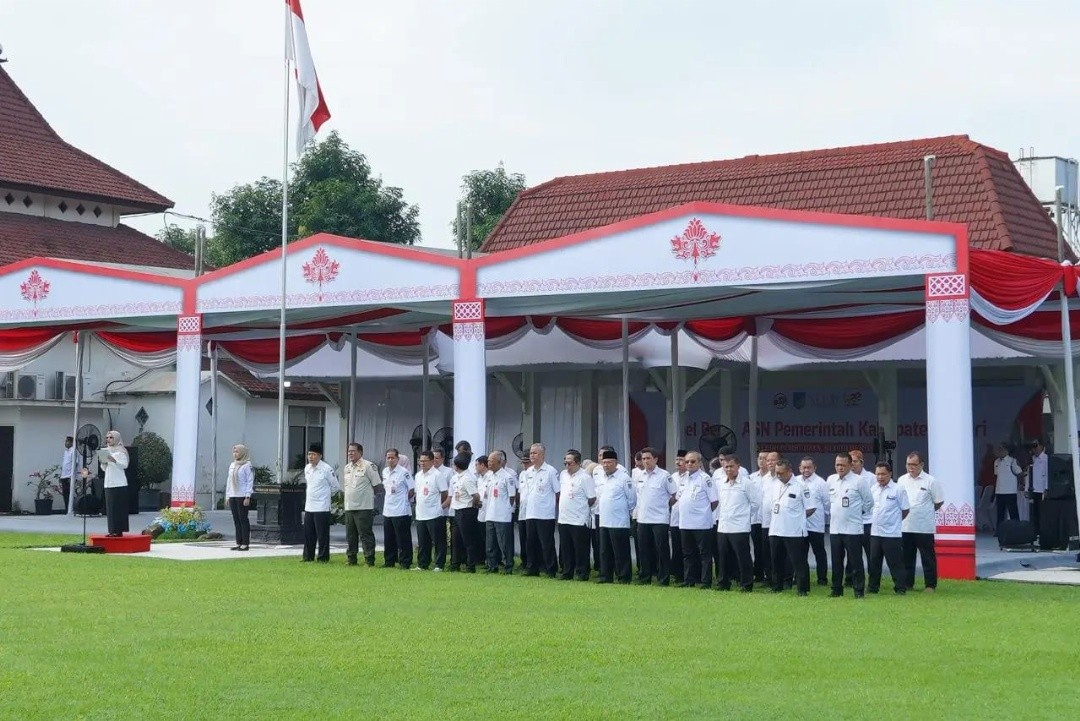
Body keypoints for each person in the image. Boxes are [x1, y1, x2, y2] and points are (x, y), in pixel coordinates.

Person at [767, 458, 815, 596]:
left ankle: (802, 589)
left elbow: (811, 508)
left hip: (794, 531)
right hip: (776, 529)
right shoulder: (775, 484)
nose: (778, 475)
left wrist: (798, 518)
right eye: (776, 473)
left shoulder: (801, 486)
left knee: (798, 562)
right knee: (776, 560)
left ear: (789, 471)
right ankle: (777, 586)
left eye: (781, 473)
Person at [828, 452, 873, 598]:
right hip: (835, 528)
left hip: (853, 529)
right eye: (837, 464)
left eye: (843, 465)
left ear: (850, 465)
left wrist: (857, 513)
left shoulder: (859, 481)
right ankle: (836, 589)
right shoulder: (831, 480)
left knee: (855, 562)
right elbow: (827, 501)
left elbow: (869, 502)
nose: (839, 467)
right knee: (836, 562)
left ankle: (858, 590)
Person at [898, 451, 943, 592]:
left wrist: (924, 512)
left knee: (927, 557)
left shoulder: (931, 481)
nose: (910, 467)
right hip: (906, 525)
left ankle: (930, 585)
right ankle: (907, 583)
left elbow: (938, 502)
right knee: (906, 557)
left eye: (914, 464)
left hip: (924, 526)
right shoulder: (901, 480)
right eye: (908, 464)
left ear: (921, 465)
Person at [715, 456, 757, 592]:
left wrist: (743, 516)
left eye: (731, 466)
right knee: (723, 557)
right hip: (723, 526)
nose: (728, 469)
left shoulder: (746, 483)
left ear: (738, 466)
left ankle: (746, 584)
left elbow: (756, 504)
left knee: (743, 557)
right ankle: (723, 583)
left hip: (739, 527)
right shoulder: (721, 483)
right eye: (726, 467)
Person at [636, 447, 677, 586]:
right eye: (643, 459)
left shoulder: (664, 476)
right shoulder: (639, 476)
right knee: (643, 549)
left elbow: (674, 495)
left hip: (659, 519)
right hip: (642, 518)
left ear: (655, 459)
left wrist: (664, 506)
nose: (645, 461)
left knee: (661, 550)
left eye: (648, 458)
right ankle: (644, 577)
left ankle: (663, 578)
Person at [676, 451, 717, 588]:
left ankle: (705, 581)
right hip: (685, 522)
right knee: (688, 554)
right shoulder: (683, 478)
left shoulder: (705, 479)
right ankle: (689, 580)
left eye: (692, 461)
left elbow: (714, 501)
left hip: (701, 523)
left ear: (699, 463)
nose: (689, 464)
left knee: (704, 555)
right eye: (687, 461)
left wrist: (703, 513)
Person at [868, 462, 910, 595]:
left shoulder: (898, 489)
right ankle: (873, 588)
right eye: (878, 474)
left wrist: (894, 522)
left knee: (895, 563)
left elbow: (905, 510)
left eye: (883, 474)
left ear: (890, 474)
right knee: (874, 562)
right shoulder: (873, 489)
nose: (880, 477)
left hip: (892, 534)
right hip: (875, 532)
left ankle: (900, 588)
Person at [596, 450, 636, 584]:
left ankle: (624, 577)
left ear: (616, 463)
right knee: (604, 551)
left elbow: (632, 500)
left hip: (619, 521)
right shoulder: (602, 477)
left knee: (621, 552)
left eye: (609, 462)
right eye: (604, 462)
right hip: (604, 520)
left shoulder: (624, 478)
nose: (606, 465)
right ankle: (605, 576)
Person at [521, 443, 560, 578]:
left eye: (535, 453)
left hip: (545, 513)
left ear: (542, 455)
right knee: (531, 542)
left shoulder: (550, 471)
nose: (532, 455)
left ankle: (551, 569)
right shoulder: (528, 472)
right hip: (530, 512)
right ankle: (532, 568)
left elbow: (557, 492)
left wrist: (553, 509)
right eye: (531, 453)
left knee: (546, 543)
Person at [557, 450, 596, 581]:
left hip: (579, 519)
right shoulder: (563, 475)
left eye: (570, 463)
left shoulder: (585, 477)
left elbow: (592, 498)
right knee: (566, 548)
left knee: (580, 549)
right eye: (565, 463)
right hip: (564, 518)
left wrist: (581, 508)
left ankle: (582, 572)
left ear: (578, 463)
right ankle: (567, 571)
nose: (567, 466)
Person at [342, 442, 382, 566]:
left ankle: (369, 560)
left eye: (353, 451)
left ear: (360, 452)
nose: (350, 453)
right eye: (349, 451)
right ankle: (351, 559)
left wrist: (367, 497)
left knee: (365, 534)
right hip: (349, 506)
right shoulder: (347, 467)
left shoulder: (368, 466)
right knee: (350, 535)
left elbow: (377, 486)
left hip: (363, 507)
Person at [302, 443, 339, 563]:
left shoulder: (326, 469)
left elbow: (335, 487)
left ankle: (323, 557)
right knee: (308, 534)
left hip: (322, 507)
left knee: (322, 535)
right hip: (309, 506)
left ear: (320, 456)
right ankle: (308, 557)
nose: (310, 457)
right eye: (309, 454)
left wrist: (325, 496)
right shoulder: (307, 468)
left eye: (313, 454)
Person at [414, 450, 449, 571]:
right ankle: (423, 564)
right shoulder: (418, 475)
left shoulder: (437, 475)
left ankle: (439, 564)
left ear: (432, 461)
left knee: (438, 541)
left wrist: (438, 506)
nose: (422, 463)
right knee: (423, 541)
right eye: (421, 461)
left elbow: (444, 493)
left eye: (425, 461)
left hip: (434, 514)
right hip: (420, 513)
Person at [484, 450, 518, 574]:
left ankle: (508, 566)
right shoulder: (489, 476)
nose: (489, 464)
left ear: (499, 462)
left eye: (491, 461)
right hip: (490, 514)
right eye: (488, 461)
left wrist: (507, 510)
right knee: (490, 543)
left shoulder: (507, 477)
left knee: (504, 544)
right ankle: (492, 566)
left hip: (502, 515)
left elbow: (512, 496)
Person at [381, 448, 415, 569]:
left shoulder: (404, 472)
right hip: (388, 509)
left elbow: (412, 489)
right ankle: (389, 561)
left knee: (403, 538)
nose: (390, 460)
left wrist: (406, 500)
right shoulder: (385, 471)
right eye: (388, 458)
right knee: (389, 537)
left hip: (401, 510)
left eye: (392, 458)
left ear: (397, 459)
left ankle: (405, 561)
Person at [800, 457, 830, 586]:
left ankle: (822, 578)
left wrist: (827, 520)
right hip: (800, 525)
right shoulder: (795, 481)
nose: (806, 470)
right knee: (800, 553)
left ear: (814, 468)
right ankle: (801, 577)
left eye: (809, 467)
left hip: (816, 525)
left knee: (819, 552)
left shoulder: (820, 482)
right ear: (799, 468)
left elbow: (827, 503)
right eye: (804, 467)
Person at [449, 453, 482, 572]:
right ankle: (455, 564)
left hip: (466, 511)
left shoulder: (468, 478)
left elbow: (476, 495)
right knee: (456, 539)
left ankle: (470, 565)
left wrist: (474, 503)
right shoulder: (456, 477)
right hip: (457, 510)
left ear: (457, 465)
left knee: (468, 539)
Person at [100, 431, 130, 537]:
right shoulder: (106, 451)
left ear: (116, 438)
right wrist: (103, 462)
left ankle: (119, 530)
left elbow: (124, 465)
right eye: (107, 437)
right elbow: (104, 469)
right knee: (110, 508)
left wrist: (113, 461)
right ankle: (112, 530)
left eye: (111, 437)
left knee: (118, 507)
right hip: (108, 483)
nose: (108, 439)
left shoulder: (120, 451)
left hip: (119, 483)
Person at [226, 444, 254, 551]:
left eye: (237, 452)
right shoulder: (232, 465)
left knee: (243, 519)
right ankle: (238, 542)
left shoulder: (247, 465)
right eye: (234, 452)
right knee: (236, 520)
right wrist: (228, 496)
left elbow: (249, 481)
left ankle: (245, 543)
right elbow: (229, 481)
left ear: (242, 453)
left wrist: (248, 496)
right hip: (233, 495)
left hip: (242, 495)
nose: (235, 454)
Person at [993, 442, 1023, 526]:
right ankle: (999, 530)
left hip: (1010, 491)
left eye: (1001, 449)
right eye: (998, 449)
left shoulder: (1012, 461)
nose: (999, 451)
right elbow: (996, 474)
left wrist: (1021, 484)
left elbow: (1020, 473)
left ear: (1006, 450)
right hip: (999, 491)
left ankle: (1017, 528)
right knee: (1000, 513)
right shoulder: (996, 462)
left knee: (1013, 512)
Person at [1028, 440, 1048, 538]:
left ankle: (1042, 530)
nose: (1034, 449)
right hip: (1034, 488)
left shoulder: (1046, 458)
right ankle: (1035, 531)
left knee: (1042, 512)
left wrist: (1046, 488)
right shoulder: (1033, 459)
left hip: (1042, 489)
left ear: (1041, 446)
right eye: (1033, 447)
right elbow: (1031, 474)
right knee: (1034, 511)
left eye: (1036, 446)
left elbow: (1047, 474)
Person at [60, 436, 75, 512]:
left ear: (71, 442)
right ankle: (66, 509)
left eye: (67, 441)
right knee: (65, 494)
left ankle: (70, 510)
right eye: (65, 441)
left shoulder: (73, 451)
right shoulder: (66, 452)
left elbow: (75, 463)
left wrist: (71, 476)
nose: (65, 443)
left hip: (69, 476)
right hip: (64, 475)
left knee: (69, 494)